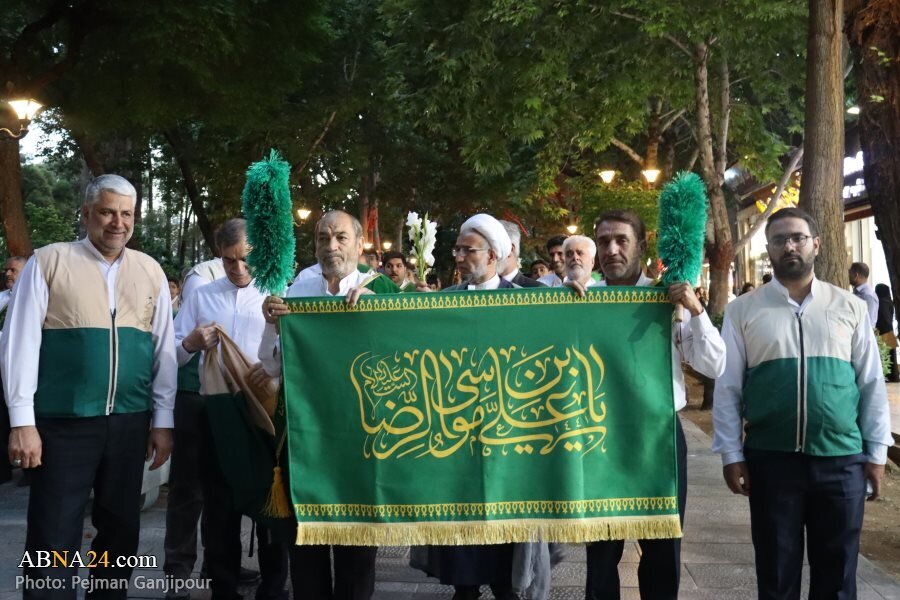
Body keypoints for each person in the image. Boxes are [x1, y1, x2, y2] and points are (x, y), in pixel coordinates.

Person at [2, 174, 178, 599]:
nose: (117, 222)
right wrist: (22, 421)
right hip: (63, 423)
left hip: (129, 422)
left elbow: (163, 351)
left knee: (120, 532)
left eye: (126, 214)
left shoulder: (150, 270)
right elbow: (19, 343)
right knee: (53, 534)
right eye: (107, 212)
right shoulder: (50, 261)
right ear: (86, 213)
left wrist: (163, 420)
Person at [712, 207, 893, 600]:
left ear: (816, 243)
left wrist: (876, 453)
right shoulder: (744, 310)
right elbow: (728, 388)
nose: (789, 246)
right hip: (771, 461)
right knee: (776, 572)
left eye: (797, 237)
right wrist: (730, 453)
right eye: (779, 240)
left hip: (841, 459)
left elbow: (870, 384)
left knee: (839, 573)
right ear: (770, 249)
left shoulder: (850, 306)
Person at [568, 209, 726, 600]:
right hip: (599, 438)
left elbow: (715, 364)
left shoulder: (667, 298)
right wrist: (566, 305)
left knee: (661, 551)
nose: (612, 249)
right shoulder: (583, 299)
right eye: (603, 242)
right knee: (601, 553)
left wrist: (695, 309)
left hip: (659, 439)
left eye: (622, 240)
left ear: (641, 246)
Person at [260, 210, 399, 600]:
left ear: (359, 244)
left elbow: (408, 359)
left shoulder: (384, 290)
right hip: (307, 438)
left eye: (340, 238)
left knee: (356, 549)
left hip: (361, 439)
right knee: (306, 547)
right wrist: (271, 323)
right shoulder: (297, 290)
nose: (331, 246)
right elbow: (270, 366)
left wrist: (381, 314)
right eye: (323, 238)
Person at [174, 218, 287, 600]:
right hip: (217, 415)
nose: (238, 269)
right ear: (218, 258)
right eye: (229, 261)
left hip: (266, 412)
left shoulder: (278, 293)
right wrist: (189, 342)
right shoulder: (202, 297)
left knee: (271, 502)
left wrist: (274, 374)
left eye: (245, 260)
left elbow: (296, 351)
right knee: (219, 505)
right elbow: (170, 352)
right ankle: (223, 586)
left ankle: (273, 587)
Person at [415, 214, 521, 599]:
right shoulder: (443, 303)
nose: (458, 256)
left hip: (508, 446)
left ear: (493, 255)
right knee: (464, 576)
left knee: (507, 572)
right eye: (456, 249)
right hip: (455, 446)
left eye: (467, 249)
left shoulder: (526, 303)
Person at [0, 256, 27, 484]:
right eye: (6, 270)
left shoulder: (32, 299)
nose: (8, 274)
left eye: (13, 270)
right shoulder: (1, 299)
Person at [499, 220, 545, 288]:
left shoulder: (538, 289)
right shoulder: (479, 288)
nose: (489, 253)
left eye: (492, 245)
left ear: (510, 249)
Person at [875, 283, 898, 382]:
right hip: (889, 330)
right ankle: (893, 377)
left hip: (883, 331)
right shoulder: (889, 301)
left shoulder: (881, 302)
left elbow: (883, 318)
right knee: (891, 356)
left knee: (885, 356)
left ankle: (888, 377)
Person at [849, 261, 879, 328]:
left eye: (849, 273)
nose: (848, 276)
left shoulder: (868, 295)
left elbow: (869, 323)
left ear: (856, 275)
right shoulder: (858, 292)